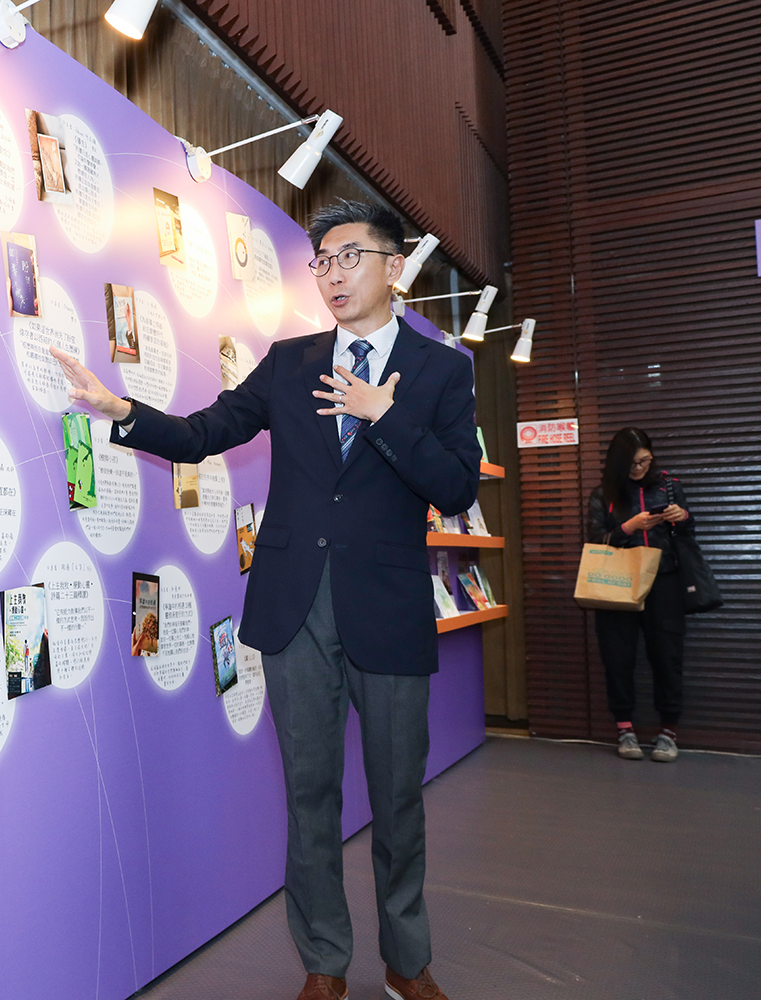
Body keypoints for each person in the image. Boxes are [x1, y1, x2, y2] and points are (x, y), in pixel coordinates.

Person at [52, 200, 480, 1000]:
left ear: (394, 266)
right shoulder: (290, 362)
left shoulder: (442, 371)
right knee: (309, 796)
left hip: (388, 610)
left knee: (397, 801)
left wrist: (385, 417)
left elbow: (455, 486)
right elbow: (204, 433)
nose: (332, 274)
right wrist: (121, 413)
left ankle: (406, 961)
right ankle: (324, 963)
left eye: (349, 257)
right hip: (295, 609)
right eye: (321, 262)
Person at [586, 427, 692, 762]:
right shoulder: (604, 494)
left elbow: (687, 533)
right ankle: (625, 729)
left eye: (644, 460)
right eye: (631, 464)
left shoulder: (669, 487)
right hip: (617, 581)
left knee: (667, 656)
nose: (639, 468)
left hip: (664, 580)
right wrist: (628, 527)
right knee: (617, 657)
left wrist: (682, 517)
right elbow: (594, 541)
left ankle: (668, 732)